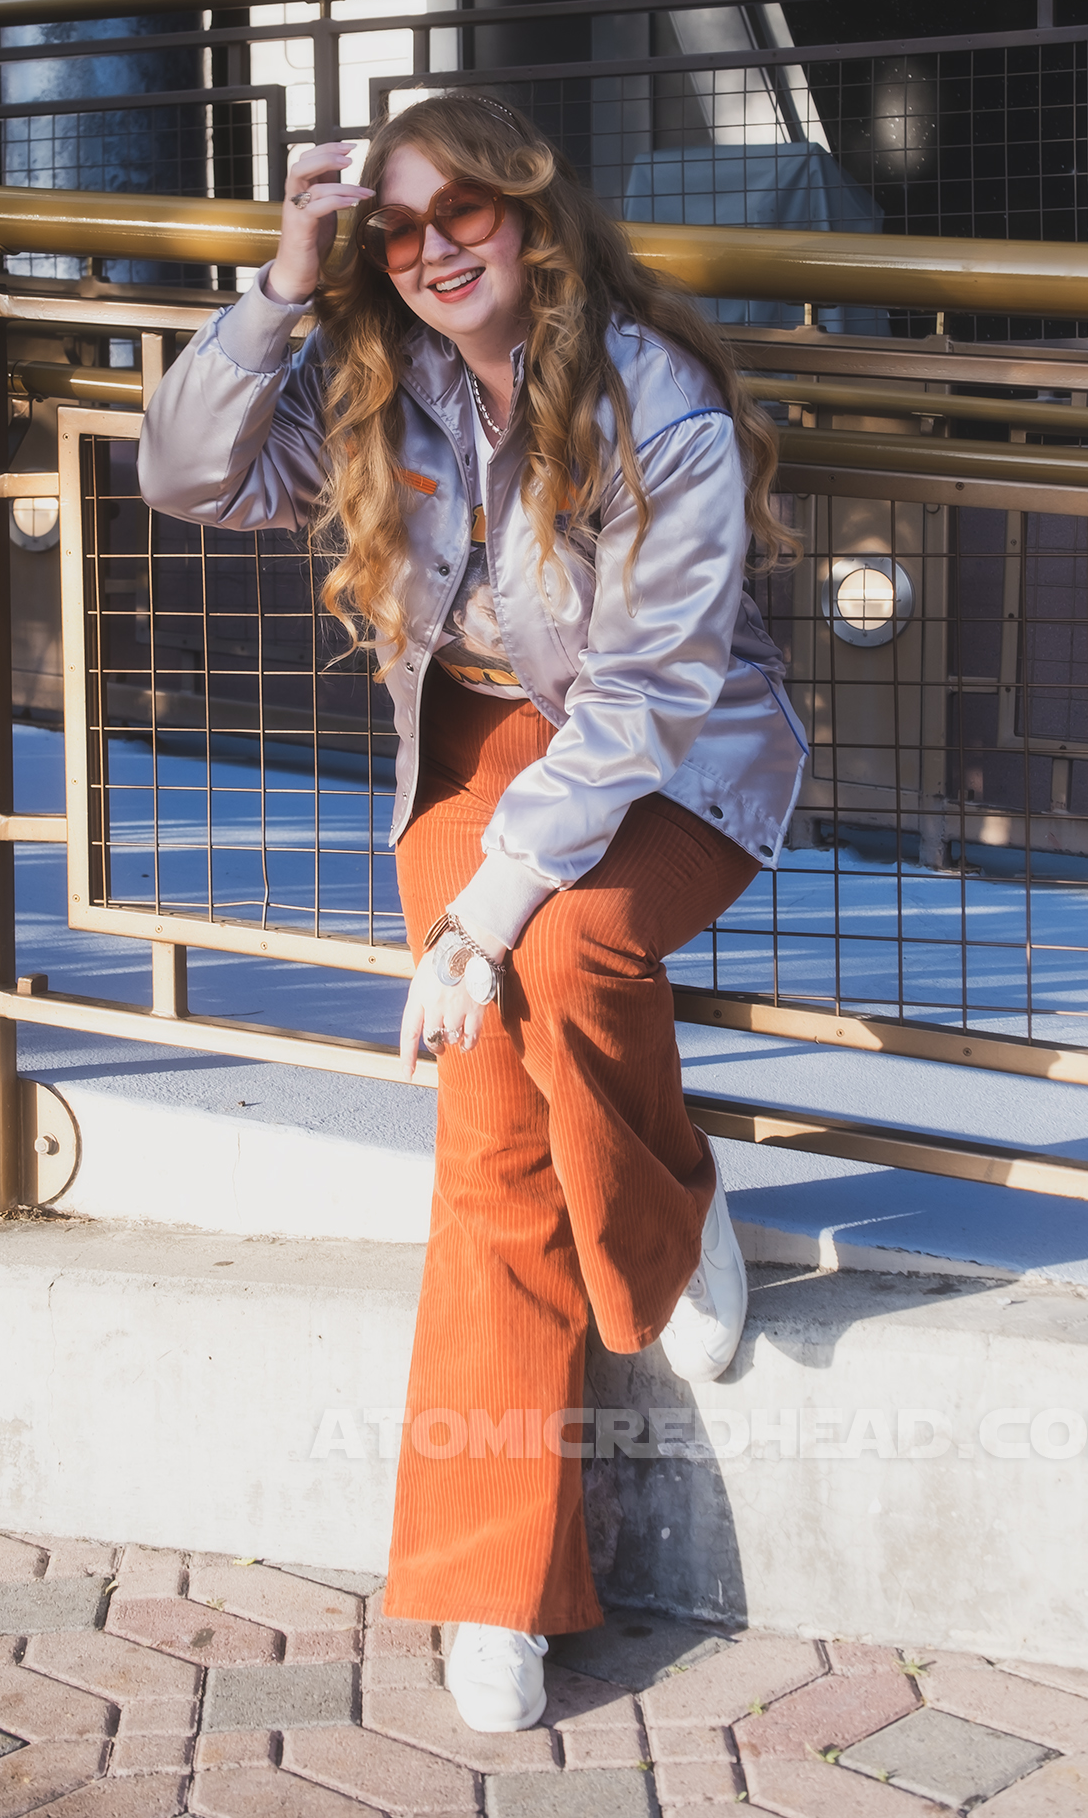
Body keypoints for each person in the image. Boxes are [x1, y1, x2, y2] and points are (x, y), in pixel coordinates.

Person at [138, 94, 806, 1733]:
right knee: (492, 1136)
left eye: (466, 217)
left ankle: (657, 1207)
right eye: (398, 226)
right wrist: (279, 281)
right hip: (469, 758)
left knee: (567, 946)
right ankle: (498, 1586)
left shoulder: (662, 404)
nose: (433, 252)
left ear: (533, 217)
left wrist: (474, 925)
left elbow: (645, 702)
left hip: (675, 766)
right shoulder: (379, 374)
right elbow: (180, 474)